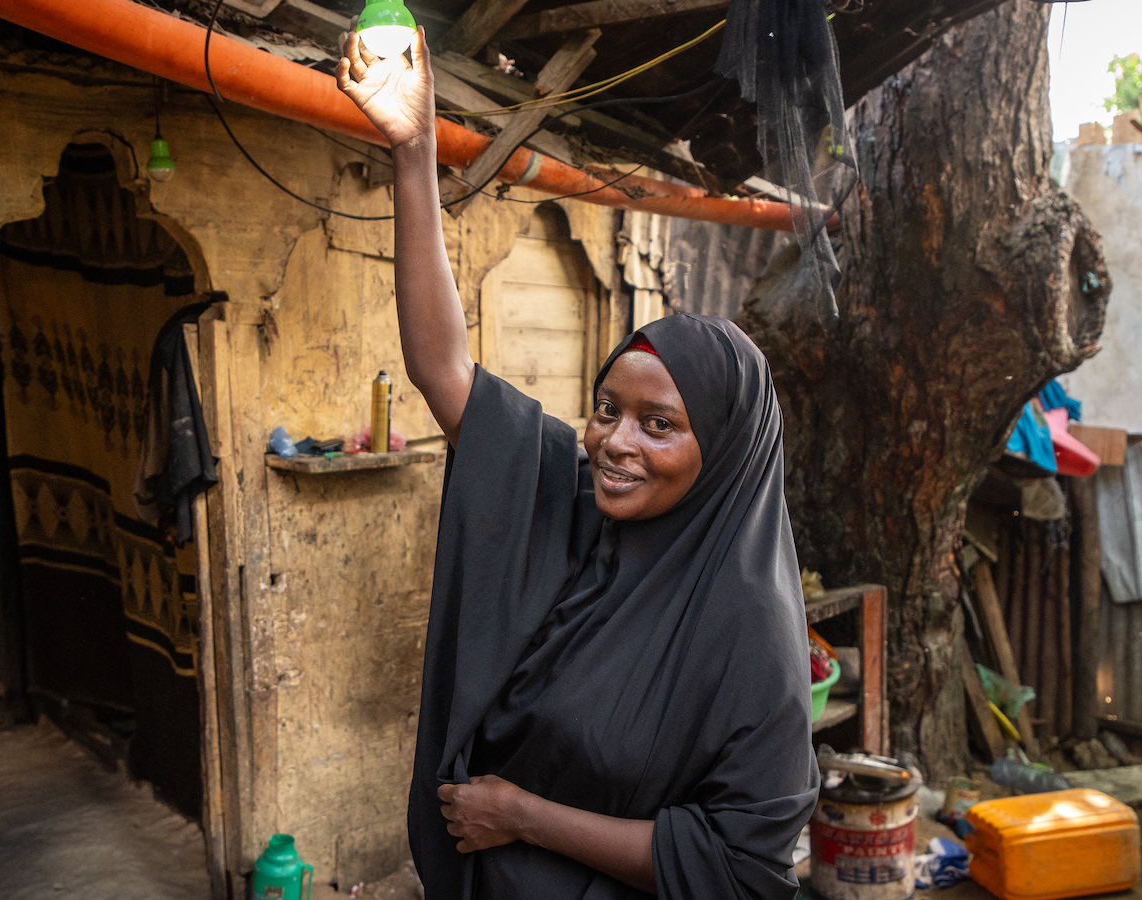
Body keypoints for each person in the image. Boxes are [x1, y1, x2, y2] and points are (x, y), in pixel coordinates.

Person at [337, 26, 818, 900]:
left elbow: (741, 867)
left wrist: (523, 816)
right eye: (606, 411)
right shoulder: (576, 499)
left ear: (723, 457)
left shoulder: (746, 630)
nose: (615, 443)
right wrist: (412, 152)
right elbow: (444, 369)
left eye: (658, 424)